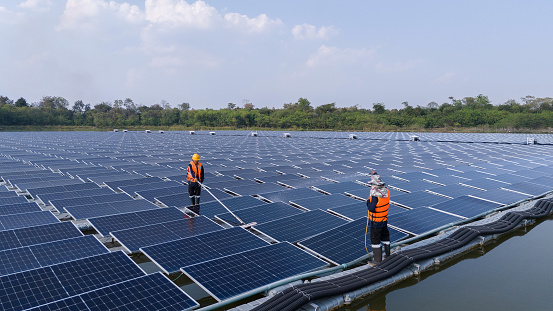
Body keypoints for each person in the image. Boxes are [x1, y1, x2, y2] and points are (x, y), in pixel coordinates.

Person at [366, 171, 391, 265]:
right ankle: (388, 255)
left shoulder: (375, 195)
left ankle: (377, 260)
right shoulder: (386, 191)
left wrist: (368, 202)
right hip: (384, 219)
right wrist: (374, 173)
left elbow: (371, 209)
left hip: (376, 222)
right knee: (385, 237)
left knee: (375, 239)